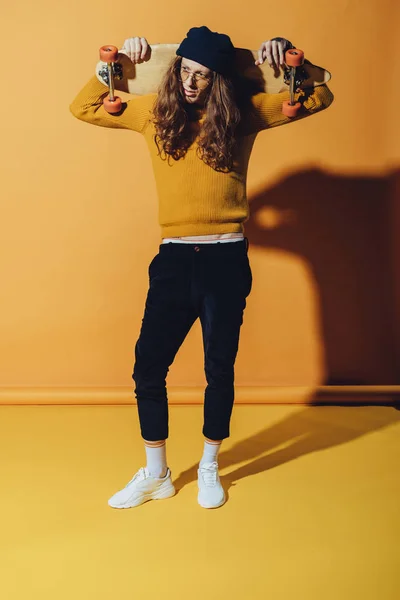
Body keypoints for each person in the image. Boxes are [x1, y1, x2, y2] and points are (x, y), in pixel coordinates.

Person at [70, 26, 333, 509]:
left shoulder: (244, 117)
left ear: (219, 82)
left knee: (219, 368)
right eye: (186, 72)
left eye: (203, 77)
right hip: (173, 258)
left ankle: (210, 465)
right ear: (176, 72)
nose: (191, 83)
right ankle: (157, 473)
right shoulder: (152, 115)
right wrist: (118, 67)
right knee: (148, 367)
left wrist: (288, 57)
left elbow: (318, 95)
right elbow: (83, 108)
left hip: (225, 258)